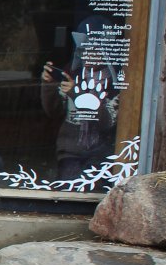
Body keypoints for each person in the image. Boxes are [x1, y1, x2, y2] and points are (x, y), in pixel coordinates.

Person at [41, 51, 119, 182]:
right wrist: (48, 84)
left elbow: (106, 122)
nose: (87, 54)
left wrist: (77, 94)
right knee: (67, 188)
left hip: (103, 152)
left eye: (94, 50)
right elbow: (53, 111)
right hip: (70, 151)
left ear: (105, 52)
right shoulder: (72, 74)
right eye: (83, 50)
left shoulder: (116, 82)